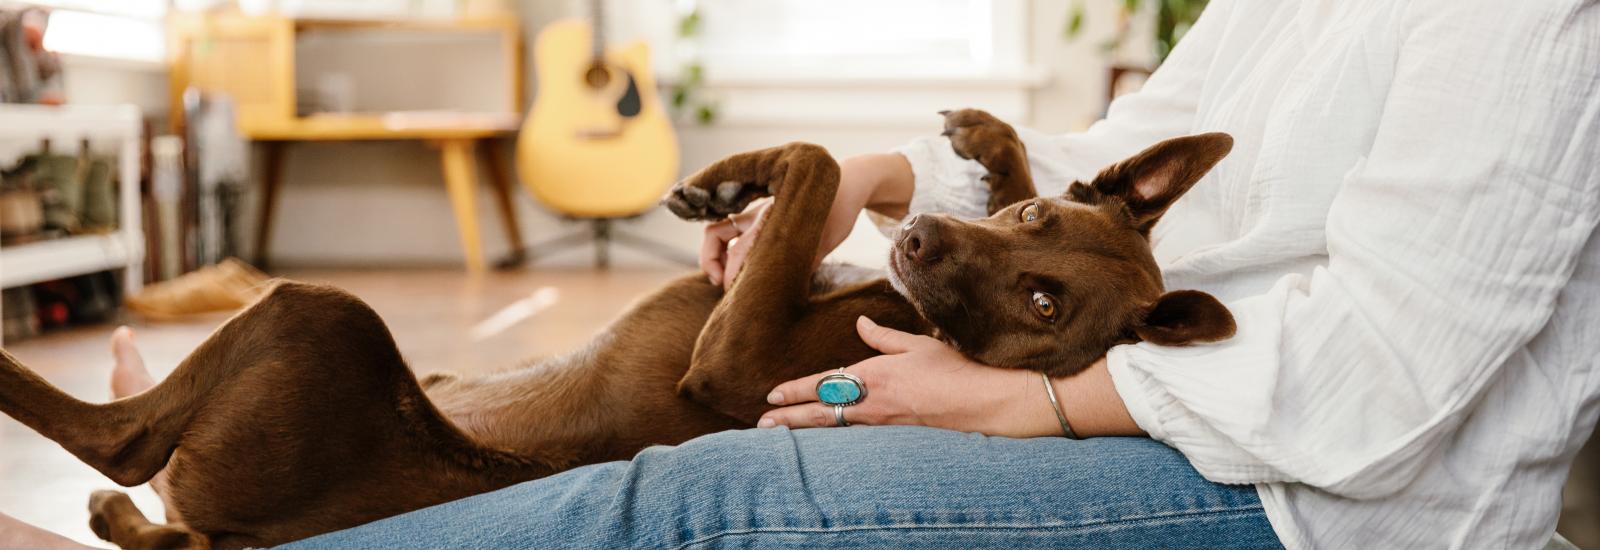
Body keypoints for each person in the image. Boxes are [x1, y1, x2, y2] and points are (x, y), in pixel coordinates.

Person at [2, 0, 1596, 547]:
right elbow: (1144, 143)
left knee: (721, 494)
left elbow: (1392, 368)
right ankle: (216, 474)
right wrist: (916, 174)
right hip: (1173, 383)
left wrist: (1015, 409)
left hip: (1343, 499)